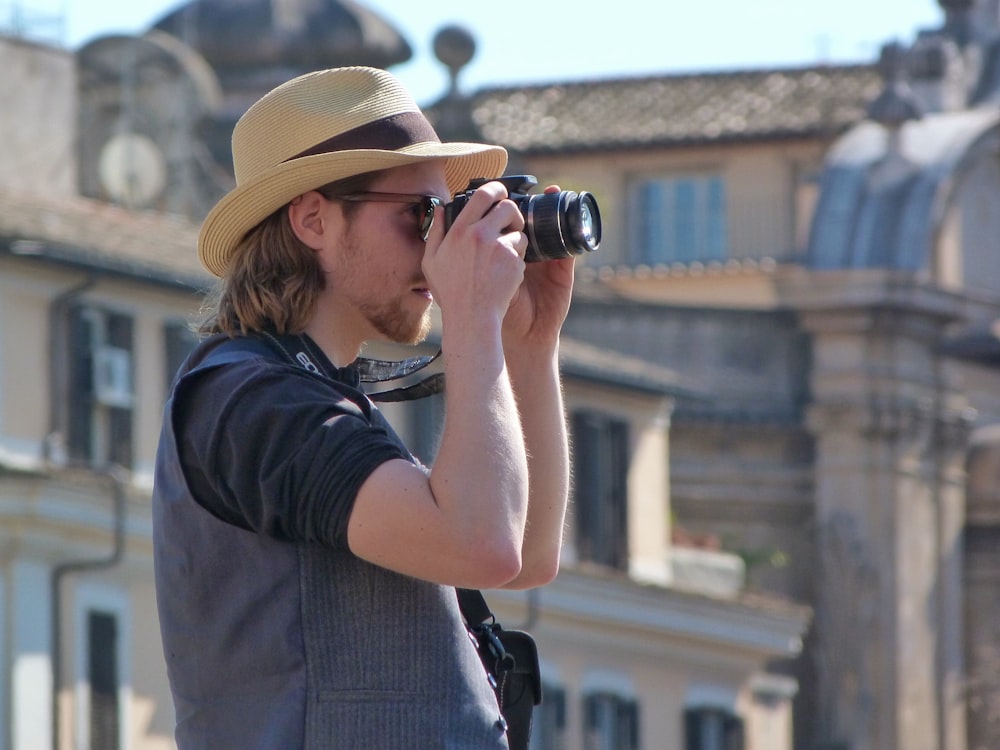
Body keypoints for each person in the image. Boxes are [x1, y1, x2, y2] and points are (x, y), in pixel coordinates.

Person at [152, 65, 574, 749]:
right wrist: (471, 315)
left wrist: (528, 342)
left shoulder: (317, 395)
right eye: (421, 215)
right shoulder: (253, 403)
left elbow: (527, 555)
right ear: (314, 219)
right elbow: (484, 545)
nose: (441, 244)